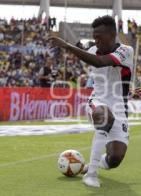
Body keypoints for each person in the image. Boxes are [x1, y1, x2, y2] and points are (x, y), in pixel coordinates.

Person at [48, 15, 134, 187]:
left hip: (119, 108)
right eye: (94, 37)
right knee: (104, 116)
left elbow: (101, 62)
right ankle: (92, 174)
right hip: (97, 101)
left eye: (99, 37)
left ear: (111, 35)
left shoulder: (126, 51)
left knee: (115, 158)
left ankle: (93, 165)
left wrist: (67, 45)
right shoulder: (93, 49)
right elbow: (93, 57)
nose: (96, 41)